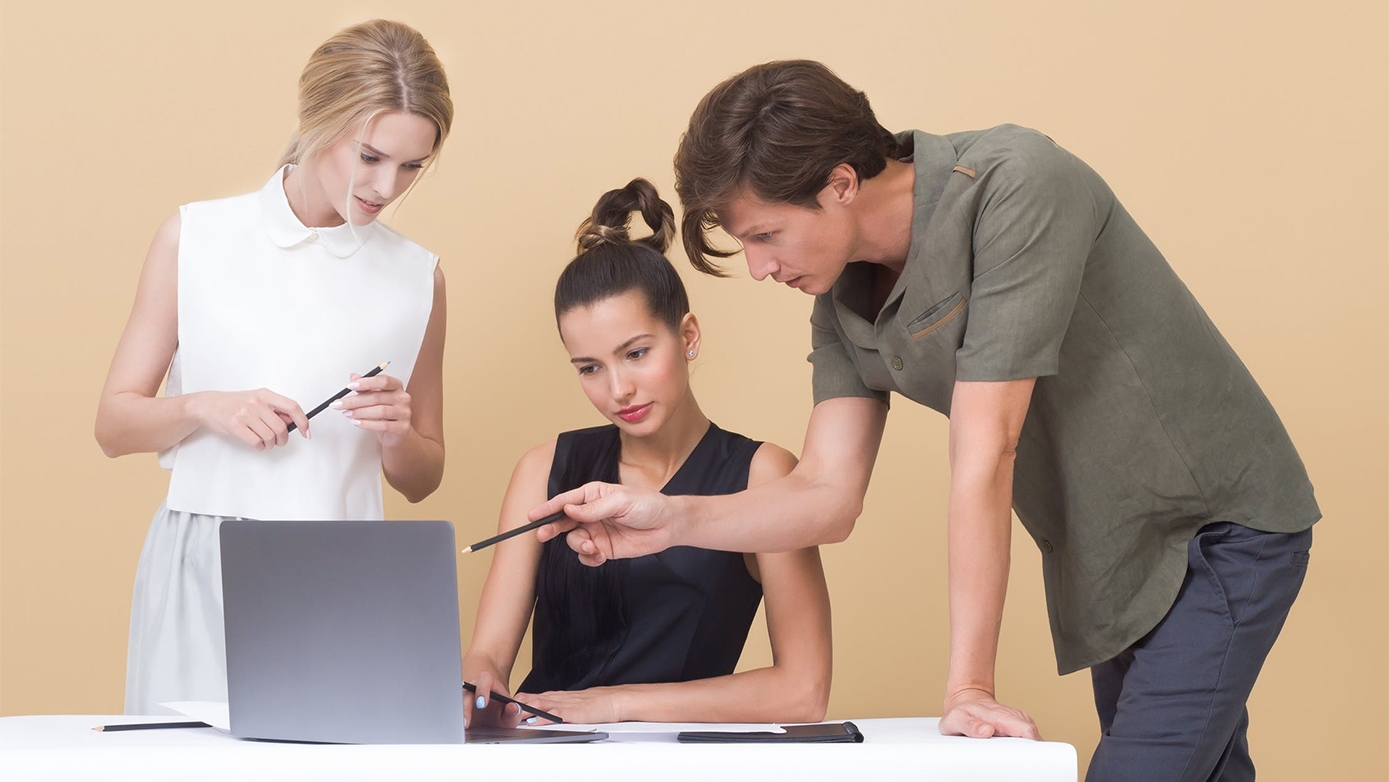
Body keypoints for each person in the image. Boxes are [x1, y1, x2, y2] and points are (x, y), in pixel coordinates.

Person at [531, 61, 1318, 780]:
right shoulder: (838, 293)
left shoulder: (1016, 185)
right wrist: (666, 517)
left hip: (1214, 529)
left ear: (840, 183)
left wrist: (968, 687)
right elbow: (826, 497)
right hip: (1105, 557)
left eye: (765, 235)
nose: (761, 267)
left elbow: (988, 447)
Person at [94, 20, 453, 715]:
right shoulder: (195, 237)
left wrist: (395, 432)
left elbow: (422, 478)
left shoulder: (419, 279)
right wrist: (204, 406)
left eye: (413, 166)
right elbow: (113, 425)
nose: (388, 186)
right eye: (371, 156)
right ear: (319, 121)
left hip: (346, 570)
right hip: (203, 558)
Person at [463, 179, 832, 728]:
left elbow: (803, 692)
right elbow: (488, 657)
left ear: (688, 336)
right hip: (543, 754)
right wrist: (478, 685)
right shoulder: (544, 470)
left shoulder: (763, 476)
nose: (618, 390)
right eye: (589, 368)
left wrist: (613, 705)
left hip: (671, 760)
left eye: (635, 353)